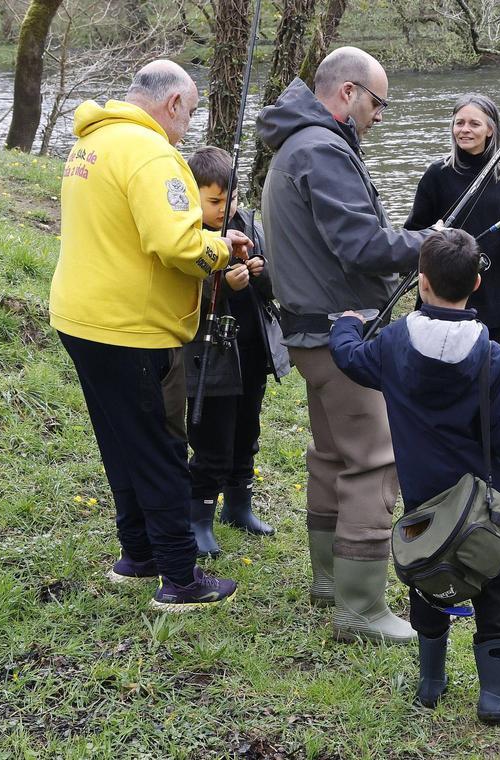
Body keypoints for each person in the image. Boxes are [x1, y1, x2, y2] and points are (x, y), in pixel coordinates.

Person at [329, 229, 500, 722]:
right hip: (481, 505)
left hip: (422, 501)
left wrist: (346, 325)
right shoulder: (491, 357)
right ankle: (498, 693)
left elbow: (350, 358)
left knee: (428, 577)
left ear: (422, 281)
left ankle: (431, 683)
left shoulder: (392, 343)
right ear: (477, 283)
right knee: (492, 587)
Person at [50, 60, 254, 610]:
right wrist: (219, 249)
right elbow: (178, 246)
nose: (188, 125)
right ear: (171, 104)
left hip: (80, 316)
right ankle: (180, 578)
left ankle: (137, 553)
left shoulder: (91, 143)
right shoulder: (151, 153)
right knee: (162, 448)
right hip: (131, 328)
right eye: (190, 112)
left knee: (121, 441)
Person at [256, 46, 433, 643]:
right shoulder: (323, 150)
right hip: (341, 336)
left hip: (313, 335)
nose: (379, 115)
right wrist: (428, 244)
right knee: (372, 462)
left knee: (331, 455)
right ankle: (361, 610)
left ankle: (330, 582)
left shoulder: (296, 145)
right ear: (348, 93)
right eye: (377, 102)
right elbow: (361, 246)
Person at [183, 146, 291, 558]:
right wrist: (224, 284)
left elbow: (274, 289)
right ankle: (199, 518)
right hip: (209, 359)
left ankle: (238, 506)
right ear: (192, 196)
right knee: (213, 442)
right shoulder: (188, 235)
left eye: (228, 201)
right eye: (212, 202)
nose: (222, 211)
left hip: (251, 353)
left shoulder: (249, 226)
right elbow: (186, 296)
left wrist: (261, 271)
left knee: (247, 432)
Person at [405, 94, 500, 346]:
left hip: (492, 284)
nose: (464, 130)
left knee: (488, 361)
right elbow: (414, 229)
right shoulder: (436, 173)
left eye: (474, 124)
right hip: (444, 286)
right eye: (459, 123)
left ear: (490, 130)